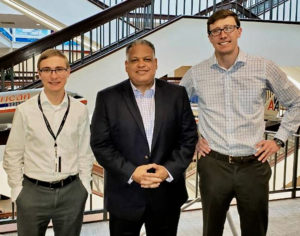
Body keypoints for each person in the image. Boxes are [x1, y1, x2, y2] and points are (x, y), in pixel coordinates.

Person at [180, 9, 300, 236]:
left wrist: (279, 140)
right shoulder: (197, 73)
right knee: (211, 230)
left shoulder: (263, 67)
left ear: (239, 31)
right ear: (209, 37)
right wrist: (192, 138)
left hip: (253, 166)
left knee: (255, 230)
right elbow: (174, 108)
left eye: (228, 28)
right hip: (214, 165)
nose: (222, 35)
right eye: (215, 31)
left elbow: (297, 102)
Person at [90, 39, 198, 236]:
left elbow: (188, 138)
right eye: (135, 60)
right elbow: (101, 144)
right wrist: (132, 172)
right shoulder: (108, 98)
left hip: (166, 194)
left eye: (147, 59)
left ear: (155, 63)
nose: (141, 64)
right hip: (124, 196)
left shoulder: (177, 94)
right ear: (126, 65)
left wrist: (168, 170)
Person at [3, 49, 94, 236]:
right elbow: (12, 154)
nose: (54, 75)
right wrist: (18, 189)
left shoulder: (79, 110)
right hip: (32, 193)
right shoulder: (25, 110)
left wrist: (84, 185)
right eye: (47, 70)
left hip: (71, 191)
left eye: (59, 69)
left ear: (68, 72)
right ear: (39, 74)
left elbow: (85, 150)